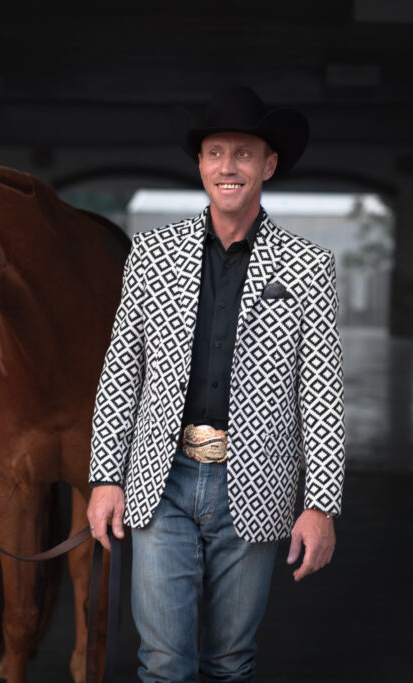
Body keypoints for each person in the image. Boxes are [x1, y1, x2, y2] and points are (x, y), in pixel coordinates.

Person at [86, 85, 345, 682]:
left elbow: (324, 396)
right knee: (162, 662)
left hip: (254, 486)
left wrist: (321, 506)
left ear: (268, 165)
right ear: (201, 164)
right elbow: (121, 370)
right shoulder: (152, 253)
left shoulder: (308, 265)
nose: (228, 166)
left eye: (244, 153)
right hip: (161, 482)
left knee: (230, 662)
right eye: (215, 152)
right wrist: (104, 477)